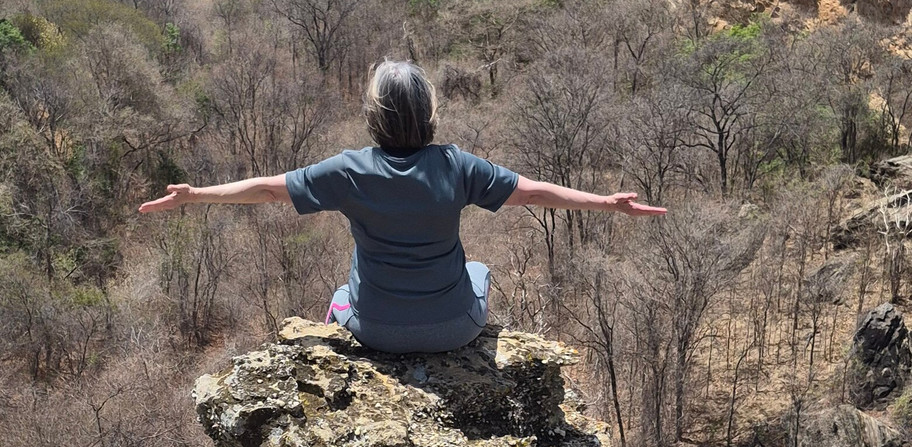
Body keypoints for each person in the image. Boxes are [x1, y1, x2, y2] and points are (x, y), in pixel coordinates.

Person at [139, 60, 665, 353]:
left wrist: (197, 196)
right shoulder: (455, 166)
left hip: (374, 330)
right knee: (480, 271)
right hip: (456, 328)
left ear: (375, 117)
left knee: (341, 294)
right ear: (428, 114)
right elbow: (532, 192)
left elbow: (268, 190)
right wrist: (606, 202)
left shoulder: (349, 170)